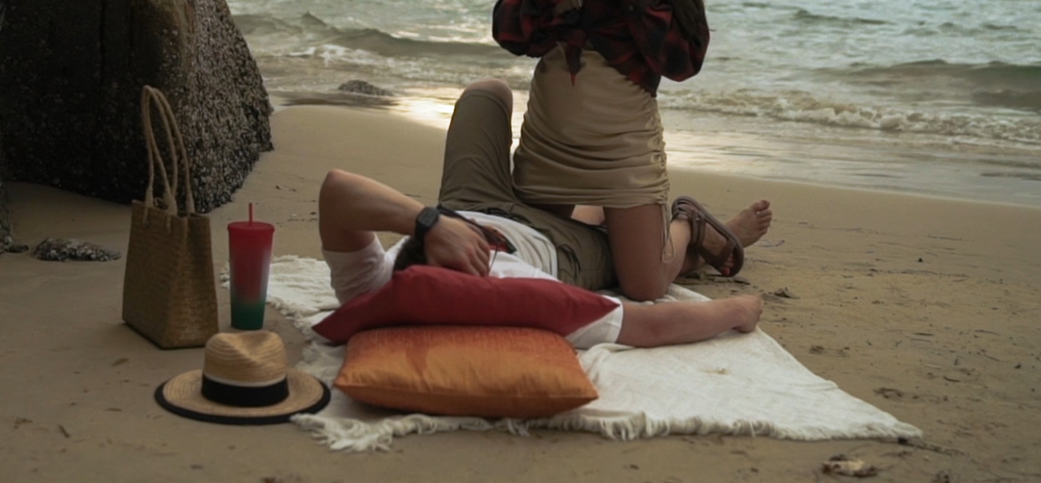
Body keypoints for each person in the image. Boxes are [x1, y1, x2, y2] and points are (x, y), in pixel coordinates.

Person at [318, 79, 772, 350]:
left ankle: (596, 207)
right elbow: (649, 325)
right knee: (641, 267)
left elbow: (338, 190)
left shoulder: (375, 289)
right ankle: (691, 228)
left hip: (469, 202)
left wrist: (432, 223)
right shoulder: (518, 294)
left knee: (486, 93)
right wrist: (739, 310)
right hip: (560, 249)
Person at [492, 0, 731, 302]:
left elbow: (683, 62)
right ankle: (615, 226)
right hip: (549, 143)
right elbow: (509, 33)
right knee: (530, 265)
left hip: (622, 150)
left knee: (644, 286)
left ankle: (688, 225)